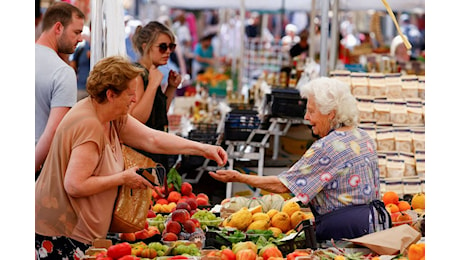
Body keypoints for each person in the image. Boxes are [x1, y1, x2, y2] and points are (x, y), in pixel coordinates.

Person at [35, 56, 228, 259]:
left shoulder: (110, 116)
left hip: (82, 233)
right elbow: (74, 185)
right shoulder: (89, 125)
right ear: (111, 94)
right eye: (130, 94)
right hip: (61, 235)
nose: (134, 100)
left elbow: (152, 139)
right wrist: (123, 178)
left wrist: (204, 149)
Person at [209, 77, 389, 242]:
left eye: (311, 111)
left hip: (344, 234)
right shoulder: (363, 136)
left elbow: (283, 185)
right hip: (376, 226)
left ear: (331, 114)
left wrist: (239, 177)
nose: (306, 117)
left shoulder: (327, 147)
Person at [35, 2, 85, 176]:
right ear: (58, 28)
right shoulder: (63, 72)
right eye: (77, 32)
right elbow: (55, 131)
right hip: (39, 164)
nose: (81, 39)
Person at [129, 21, 182, 170]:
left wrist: (171, 88)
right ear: (146, 47)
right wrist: (152, 85)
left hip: (154, 153)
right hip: (141, 157)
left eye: (171, 47)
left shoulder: (151, 73)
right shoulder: (137, 75)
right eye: (163, 47)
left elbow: (157, 115)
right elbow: (135, 120)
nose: (168, 52)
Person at [69, 24, 91, 101]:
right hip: (81, 87)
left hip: (95, 90)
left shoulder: (103, 47)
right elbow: (72, 64)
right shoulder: (81, 47)